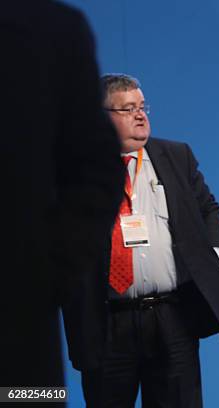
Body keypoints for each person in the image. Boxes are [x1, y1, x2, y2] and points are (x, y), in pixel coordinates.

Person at [81, 74, 219, 407]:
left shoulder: (175, 155)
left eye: (142, 106)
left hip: (172, 317)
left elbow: (209, 208)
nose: (141, 115)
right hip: (108, 321)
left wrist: (212, 260)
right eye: (128, 109)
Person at [0, 0, 124, 391]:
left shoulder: (50, 28)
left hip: (18, 322)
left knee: (25, 397)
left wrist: (42, 278)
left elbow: (95, 170)